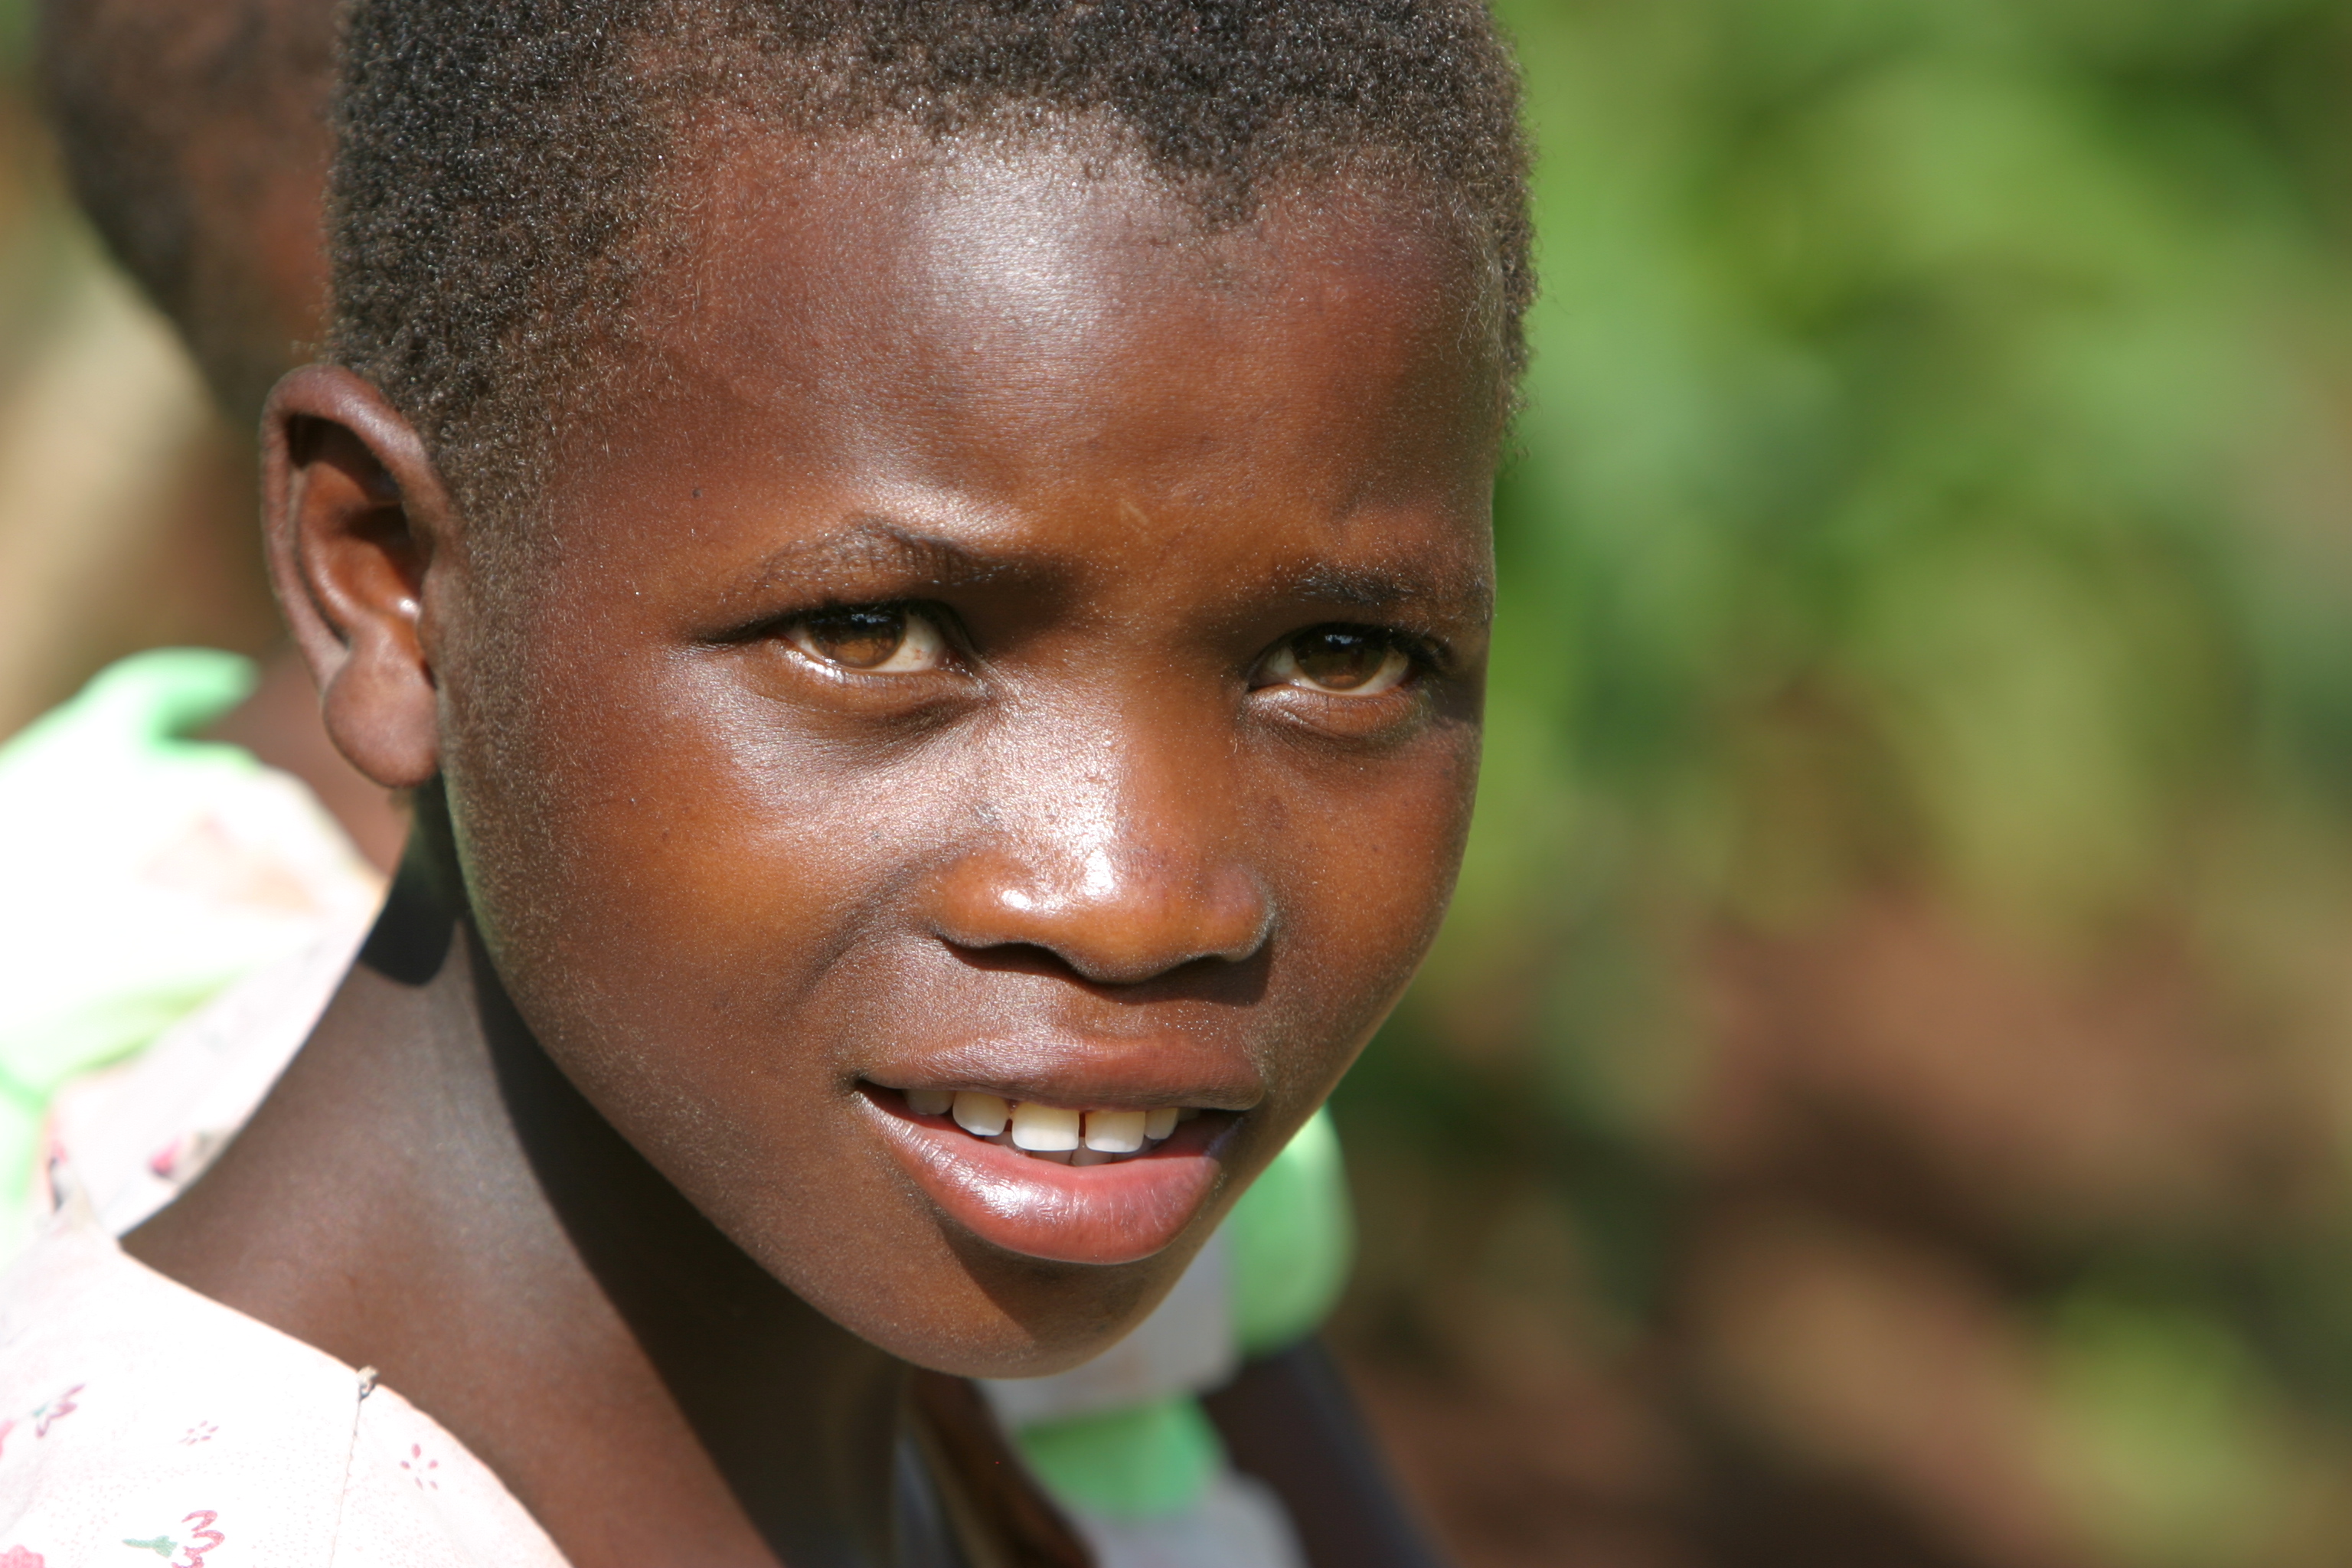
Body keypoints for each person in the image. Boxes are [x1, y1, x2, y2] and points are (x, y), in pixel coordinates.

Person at [0, 2, 1527, 1563]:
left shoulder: (866, 1301)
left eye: (1343, 654)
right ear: (390, 582)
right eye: (876, 632)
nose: (1139, 898)